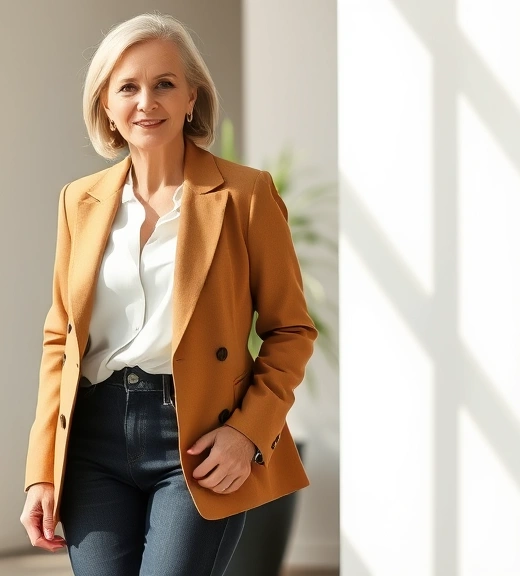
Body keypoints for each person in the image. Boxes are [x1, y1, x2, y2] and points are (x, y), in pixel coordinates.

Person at [19, 12, 316, 576]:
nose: (146, 101)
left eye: (164, 84)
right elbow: (60, 340)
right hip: (93, 443)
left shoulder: (245, 196)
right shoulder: (78, 201)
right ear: (105, 103)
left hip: (198, 440)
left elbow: (291, 330)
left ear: (191, 98)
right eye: (127, 86)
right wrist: (41, 471)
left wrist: (247, 433)